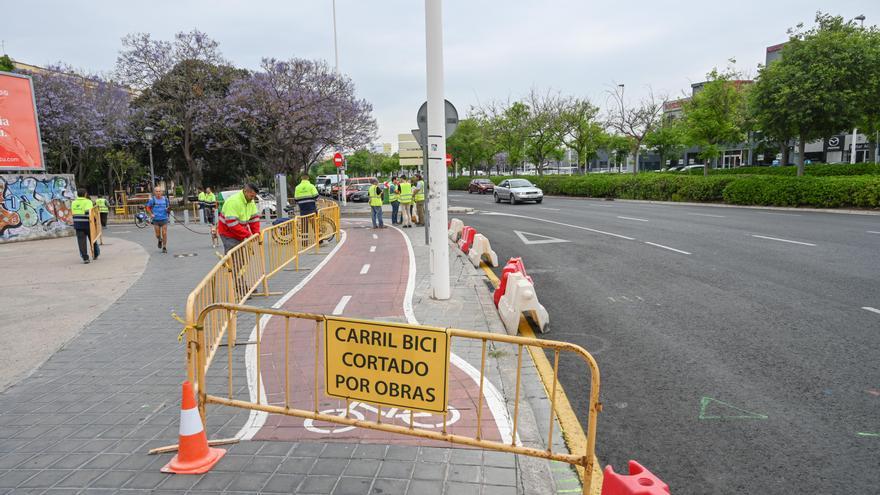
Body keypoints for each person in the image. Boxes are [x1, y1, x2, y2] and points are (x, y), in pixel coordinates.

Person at [218, 183, 261, 253]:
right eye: (252, 196)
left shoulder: (250, 201)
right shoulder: (233, 201)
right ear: (245, 191)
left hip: (239, 232)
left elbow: (254, 219)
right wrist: (248, 235)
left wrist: (256, 233)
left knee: (239, 258)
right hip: (228, 233)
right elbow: (232, 223)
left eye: (254, 196)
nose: (253, 198)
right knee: (235, 258)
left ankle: (227, 262)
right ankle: (228, 263)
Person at [71, 188, 99, 264]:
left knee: (81, 242)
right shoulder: (88, 201)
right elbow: (88, 213)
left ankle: (85, 258)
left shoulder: (73, 202)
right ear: (85, 194)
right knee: (92, 239)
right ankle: (95, 254)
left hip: (78, 224)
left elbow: (73, 213)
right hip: (88, 224)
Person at [145, 186, 170, 253]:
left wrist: (167, 209)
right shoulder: (152, 200)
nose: (158, 193)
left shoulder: (165, 199)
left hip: (164, 218)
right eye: (157, 191)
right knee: (157, 235)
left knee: (164, 233)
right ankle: (159, 240)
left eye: (159, 191)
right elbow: (147, 207)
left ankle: (164, 247)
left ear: (161, 192)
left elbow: (168, 207)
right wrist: (151, 214)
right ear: (154, 192)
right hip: (156, 219)